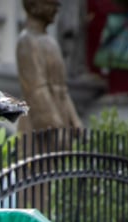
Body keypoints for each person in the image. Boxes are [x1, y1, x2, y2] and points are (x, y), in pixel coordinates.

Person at [16, 0, 82, 133]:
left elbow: (62, 89)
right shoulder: (27, 40)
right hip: (40, 124)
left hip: (59, 114)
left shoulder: (51, 42)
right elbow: (36, 90)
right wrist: (53, 123)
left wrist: (74, 119)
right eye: (50, 3)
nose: (57, 7)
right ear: (33, 6)